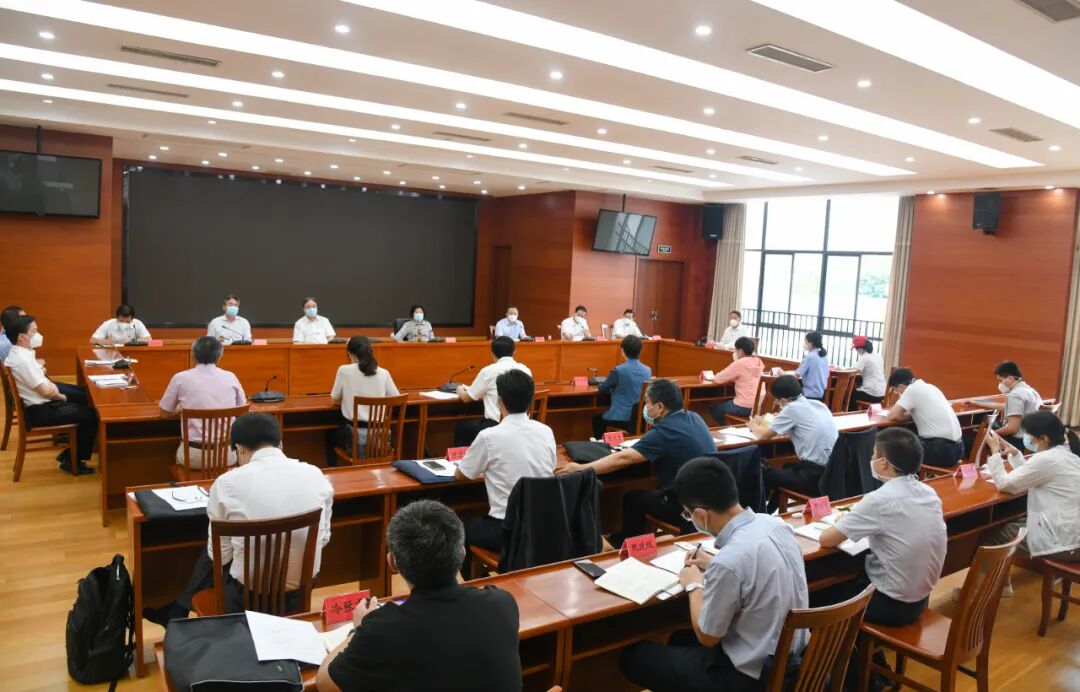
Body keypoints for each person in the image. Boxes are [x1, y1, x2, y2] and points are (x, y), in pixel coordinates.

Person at [619, 457, 808, 692]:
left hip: (751, 679)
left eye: (687, 514)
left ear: (700, 515)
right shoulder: (776, 525)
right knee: (678, 639)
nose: (689, 518)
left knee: (635, 657)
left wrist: (693, 585)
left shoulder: (730, 561)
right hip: (794, 660)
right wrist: (713, 563)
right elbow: (755, 566)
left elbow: (707, 637)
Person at [143, 413, 333, 625]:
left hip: (245, 599)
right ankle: (178, 609)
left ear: (240, 449)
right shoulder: (317, 475)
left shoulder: (226, 484)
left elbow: (219, 557)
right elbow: (323, 539)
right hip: (299, 595)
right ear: (280, 444)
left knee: (217, 548)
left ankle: (179, 610)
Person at [317, 500, 522, 692]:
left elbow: (325, 682)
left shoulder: (381, 630)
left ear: (392, 563)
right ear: (462, 554)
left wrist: (358, 628)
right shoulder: (502, 603)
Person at [558, 378, 717, 547]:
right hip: (711, 502)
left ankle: (622, 546)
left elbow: (624, 458)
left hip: (686, 510)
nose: (644, 408)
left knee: (633, 499)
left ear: (660, 407)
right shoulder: (694, 417)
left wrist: (583, 468)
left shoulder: (665, 431)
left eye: (647, 403)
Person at [820, 427, 946, 626]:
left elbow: (826, 539)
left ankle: (844, 646)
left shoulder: (879, 500)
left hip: (889, 605)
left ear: (884, 463)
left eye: (873, 455)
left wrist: (843, 523)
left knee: (819, 594)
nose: (871, 459)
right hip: (919, 601)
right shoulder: (929, 493)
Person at [456, 370, 556, 575]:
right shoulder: (546, 431)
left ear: (499, 401)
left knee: (457, 527)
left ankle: (476, 581)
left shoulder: (489, 436)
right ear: (531, 400)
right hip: (542, 526)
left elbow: (462, 475)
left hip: (505, 530)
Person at [978, 412, 1080, 596]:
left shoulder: (1046, 459)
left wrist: (994, 452)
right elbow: (1034, 474)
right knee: (1008, 526)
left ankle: (981, 593)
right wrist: (1016, 454)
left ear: (1044, 438)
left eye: (1031, 435)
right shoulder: (1067, 455)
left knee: (994, 537)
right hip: (1071, 533)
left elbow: (1005, 485)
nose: (1029, 439)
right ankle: (1003, 586)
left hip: (1063, 542)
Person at [3, 314, 97, 475]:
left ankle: (71, 452)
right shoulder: (23, 360)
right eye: (34, 331)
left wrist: (53, 388)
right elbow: (46, 391)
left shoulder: (20, 353)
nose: (38, 335)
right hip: (40, 411)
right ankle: (72, 460)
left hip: (40, 405)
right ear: (21, 337)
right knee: (91, 415)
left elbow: (44, 384)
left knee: (83, 401)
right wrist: (62, 397)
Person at [749, 375, 838, 512]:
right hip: (832, 473)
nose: (778, 404)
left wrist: (753, 425)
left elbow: (765, 435)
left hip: (814, 478)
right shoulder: (818, 405)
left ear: (783, 400)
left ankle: (760, 513)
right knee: (787, 466)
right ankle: (769, 510)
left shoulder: (791, 409)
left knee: (763, 473)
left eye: (777, 401)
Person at [159, 336, 247, 469]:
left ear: (193, 355)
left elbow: (164, 413)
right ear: (220, 356)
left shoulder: (180, 378)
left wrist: (177, 410)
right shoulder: (231, 377)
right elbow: (243, 411)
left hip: (193, 457)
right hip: (227, 455)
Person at [327, 336, 400, 465]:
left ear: (350, 354)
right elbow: (396, 398)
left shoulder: (344, 370)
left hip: (353, 436)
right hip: (380, 437)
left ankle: (333, 472)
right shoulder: (383, 373)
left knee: (329, 435)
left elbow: (334, 398)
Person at [454, 336, 532, 447]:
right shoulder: (526, 369)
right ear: (514, 352)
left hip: (495, 425)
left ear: (492, 354)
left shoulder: (488, 371)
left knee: (461, 427)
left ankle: (461, 457)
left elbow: (467, 398)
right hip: (522, 423)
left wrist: (459, 389)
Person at [884, 368, 963, 468]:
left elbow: (893, 415)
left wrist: (906, 417)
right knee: (910, 443)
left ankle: (910, 478)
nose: (897, 394)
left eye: (895, 391)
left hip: (942, 450)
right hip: (958, 448)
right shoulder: (931, 387)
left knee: (896, 451)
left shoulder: (912, 390)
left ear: (900, 387)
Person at [968, 361, 1042, 450]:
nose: (1000, 384)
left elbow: (1012, 428)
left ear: (1010, 378)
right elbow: (1006, 407)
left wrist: (991, 434)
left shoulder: (1015, 395)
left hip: (1017, 443)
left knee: (972, 440)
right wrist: (976, 403)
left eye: (1000, 380)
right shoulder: (1031, 391)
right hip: (1033, 441)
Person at [592, 335, 652, 439]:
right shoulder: (648, 370)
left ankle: (600, 445)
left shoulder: (618, 370)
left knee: (597, 420)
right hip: (640, 419)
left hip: (622, 418)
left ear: (622, 351)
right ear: (640, 351)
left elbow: (602, 389)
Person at [708, 336, 763, 424]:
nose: (734, 352)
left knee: (715, 409)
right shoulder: (758, 361)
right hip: (759, 405)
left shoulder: (740, 363)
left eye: (735, 350)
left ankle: (726, 428)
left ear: (740, 352)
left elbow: (718, 379)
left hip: (744, 406)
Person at [849, 336, 885, 410]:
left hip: (872, 394)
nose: (857, 352)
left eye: (856, 349)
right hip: (882, 393)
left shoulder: (864, 358)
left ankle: (852, 414)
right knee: (855, 392)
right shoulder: (878, 356)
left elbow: (853, 372)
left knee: (849, 395)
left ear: (859, 348)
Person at [794, 330, 829, 401]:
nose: (804, 344)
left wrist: (782, 374)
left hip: (809, 394)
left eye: (806, 342)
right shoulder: (824, 357)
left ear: (811, 343)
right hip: (822, 394)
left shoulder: (809, 357)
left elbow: (796, 376)